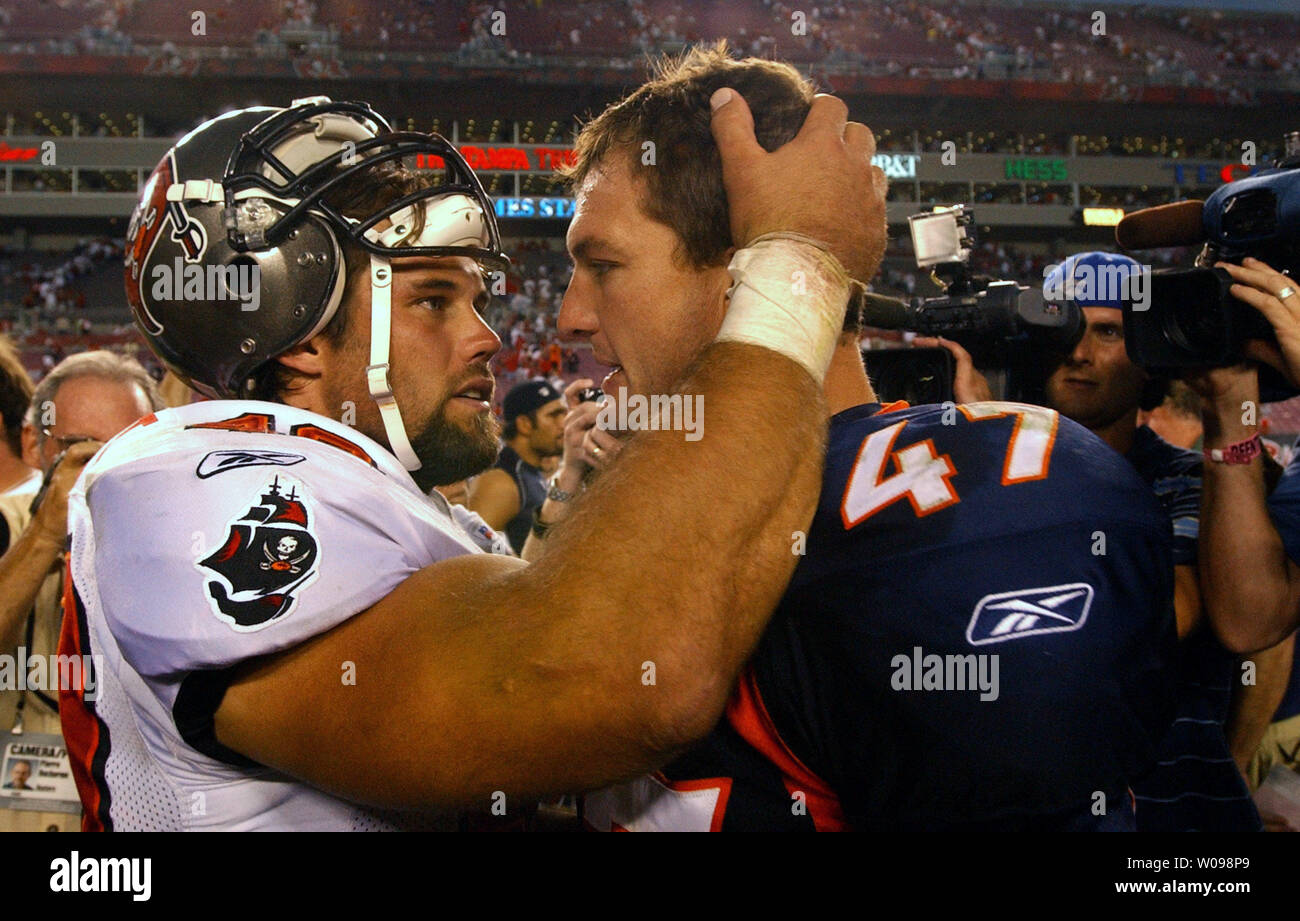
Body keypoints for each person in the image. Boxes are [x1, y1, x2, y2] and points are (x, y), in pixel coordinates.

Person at [60, 93, 886, 829]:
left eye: (479, 300)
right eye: (431, 299)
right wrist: (794, 265)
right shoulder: (187, 481)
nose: (487, 336)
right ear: (297, 330)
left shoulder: (416, 507)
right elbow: (597, 682)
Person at [539, 46, 1174, 830]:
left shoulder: (969, 505)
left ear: (750, 270)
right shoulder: (648, 504)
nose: (568, 315)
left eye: (602, 263)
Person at [934, 251, 1267, 831]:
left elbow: (1168, 618)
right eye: (1062, 324)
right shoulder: (980, 460)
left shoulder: (1187, 480)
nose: (1079, 351)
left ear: (1150, 354)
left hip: (1179, 827)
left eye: (1108, 331)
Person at [0, 351, 164, 832]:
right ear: (34, 444)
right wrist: (46, 533)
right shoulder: (8, 524)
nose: (102, 469)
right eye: (81, 448)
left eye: (126, 447)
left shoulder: (176, 538)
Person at [465, 379, 565, 551]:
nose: (563, 424)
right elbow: (470, 556)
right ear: (525, 424)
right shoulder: (500, 482)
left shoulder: (527, 471)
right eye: (553, 415)